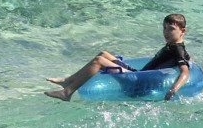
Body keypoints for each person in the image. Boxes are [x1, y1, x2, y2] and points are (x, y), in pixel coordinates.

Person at [45, 12, 192, 101]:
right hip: (138, 75)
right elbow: (187, 59)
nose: (166, 32)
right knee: (104, 54)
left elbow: (185, 71)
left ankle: (67, 92)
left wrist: (173, 89)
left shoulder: (177, 48)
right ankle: (68, 81)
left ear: (182, 31)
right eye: (164, 28)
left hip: (138, 82)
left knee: (99, 61)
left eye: (171, 29)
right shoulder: (173, 46)